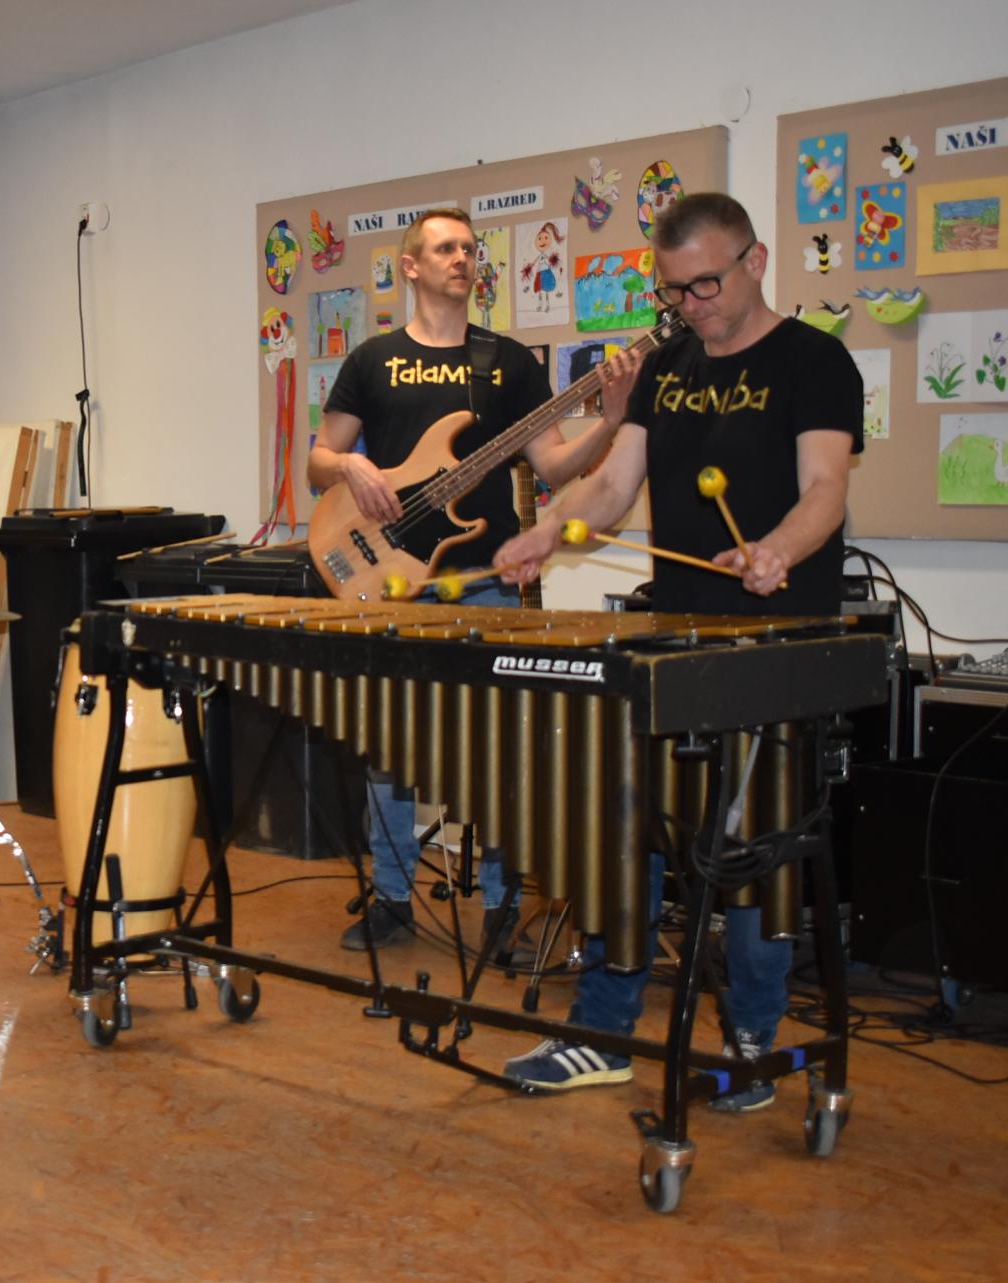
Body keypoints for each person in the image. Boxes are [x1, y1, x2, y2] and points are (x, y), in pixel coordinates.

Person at [493, 191, 862, 1109]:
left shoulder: (815, 361)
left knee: (746, 851)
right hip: (672, 643)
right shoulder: (666, 367)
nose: (692, 304)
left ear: (755, 261)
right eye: (676, 290)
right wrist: (550, 530)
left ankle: (751, 1041)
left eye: (707, 284)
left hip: (773, 646)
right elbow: (612, 488)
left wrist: (777, 548)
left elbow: (825, 488)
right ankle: (603, 1033)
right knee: (622, 835)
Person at [307, 207, 630, 954]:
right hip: (391, 579)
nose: (463, 258)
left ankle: (500, 905)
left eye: (470, 249)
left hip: (483, 579)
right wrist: (351, 465)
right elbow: (319, 462)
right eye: (446, 248)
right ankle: (392, 899)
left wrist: (610, 421)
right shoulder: (373, 360)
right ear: (410, 266)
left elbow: (554, 467)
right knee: (389, 747)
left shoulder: (508, 362)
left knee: (496, 750)